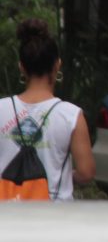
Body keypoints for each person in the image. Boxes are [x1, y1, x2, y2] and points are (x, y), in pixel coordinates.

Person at [0, 19, 95, 200]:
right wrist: (65, 176)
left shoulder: (1, 109)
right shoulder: (71, 115)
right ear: (57, 65)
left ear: (21, 67)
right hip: (54, 213)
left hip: (6, 211)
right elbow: (86, 172)